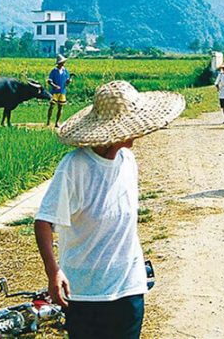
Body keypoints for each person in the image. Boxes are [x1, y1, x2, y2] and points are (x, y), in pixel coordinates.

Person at [35, 80, 184, 339]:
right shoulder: (75, 167)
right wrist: (53, 271)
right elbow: (44, 221)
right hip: (85, 291)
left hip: (128, 285)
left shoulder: (128, 161)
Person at [46, 54, 72, 128]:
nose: (63, 64)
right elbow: (49, 81)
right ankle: (48, 121)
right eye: (61, 62)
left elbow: (66, 81)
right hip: (54, 92)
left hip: (62, 91)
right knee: (52, 106)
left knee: (60, 107)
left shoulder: (65, 71)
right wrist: (54, 86)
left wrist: (68, 81)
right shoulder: (54, 71)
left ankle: (57, 122)